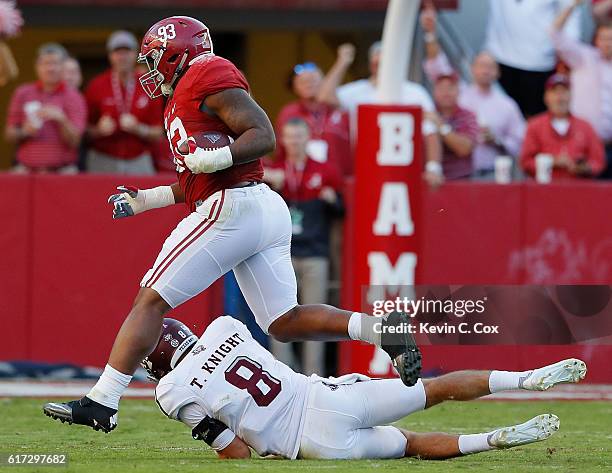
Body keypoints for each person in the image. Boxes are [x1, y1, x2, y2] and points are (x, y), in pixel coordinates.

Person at [41, 16, 420, 434]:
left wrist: (218, 158)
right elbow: (198, 178)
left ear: (178, 54)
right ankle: (379, 329)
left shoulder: (206, 71)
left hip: (233, 208)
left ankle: (103, 400)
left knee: (150, 301)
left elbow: (263, 135)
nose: (150, 70)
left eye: (153, 59)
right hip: (254, 207)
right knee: (283, 322)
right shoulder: (184, 94)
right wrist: (148, 199)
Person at [46, 316, 587, 460]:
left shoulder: (169, 394)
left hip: (313, 445)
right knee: (436, 387)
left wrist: (255, 441)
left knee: (412, 446)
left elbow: (233, 452)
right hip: (326, 395)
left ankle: (492, 442)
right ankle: (527, 379)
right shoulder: (224, 329)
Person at [265, 118, 343, 376]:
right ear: (283, 139)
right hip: (281, 254)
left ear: (308, 138)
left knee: (316, 320)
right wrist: (268, 183)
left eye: (299, 136)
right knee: (278, 317)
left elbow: (342, 210)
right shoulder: (273, 169)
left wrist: (331, 201)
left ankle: (315, 378)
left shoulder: (325, 170)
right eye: (289, 136)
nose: (294, 141)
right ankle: (282, 375)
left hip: (314, 254)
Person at [421, 4, 525, 179]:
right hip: (458, 174)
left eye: (490, 66)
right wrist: (431, 33)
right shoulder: (459, 93)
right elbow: (437, 66)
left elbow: (520, 142)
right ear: (472, 69)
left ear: (498, 72)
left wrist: (497, 140)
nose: (485, 70)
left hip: (491, 174)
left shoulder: (507, 105)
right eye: (481, 65)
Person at [318, 40, 444, 186]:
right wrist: (342, 62)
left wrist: (433, 167)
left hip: (406, 169)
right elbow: (324, 97)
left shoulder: (414, 92)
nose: (381, 68)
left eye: (386, 63)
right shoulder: (358, 91)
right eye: (376, 64)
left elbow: (430, 128)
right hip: (366, 167)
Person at [485, 0, 583, 117]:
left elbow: (571, 13)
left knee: (535, 119)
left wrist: (568, 49)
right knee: (501, 117)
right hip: (500, 59)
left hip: (538, 62)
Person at [84, 30, 163, 174]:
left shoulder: (148, 84)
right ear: (110, 56)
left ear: (136, 55)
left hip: (138, 159)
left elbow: (159, 132)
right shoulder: (96, 85)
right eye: (117, 52)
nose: (122, 57)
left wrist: (139, 129)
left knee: (144, 196)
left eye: (127, 52)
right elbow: (84, 130)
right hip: (103, 158)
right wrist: (98, 131)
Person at [5, 43, 86, 174]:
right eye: (45, 63)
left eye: (55, 63)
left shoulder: (74, 96)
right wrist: (24, 131)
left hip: (63, 170)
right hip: (26, 169)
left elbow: (76, 142)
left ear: (63, 67)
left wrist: (61, 119)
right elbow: (9, 134)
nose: (50, 68)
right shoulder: (23, 93)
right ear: (37, 67)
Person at [552, 0, 612, 177]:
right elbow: (555, 33)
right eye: (604, 39)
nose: (608, 43)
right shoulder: (583, 57)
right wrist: (572, 6)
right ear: (596, 40)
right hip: (583, 146)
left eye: (611, 39)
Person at [520, 73, 605, 179]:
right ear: (546, 97)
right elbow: (525, 162)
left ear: (570, 95)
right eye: (555, 92)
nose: (559, 97)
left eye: (564, 92)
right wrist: (552, 162)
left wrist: (585, 168)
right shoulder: (535, 126)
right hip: (544, 191)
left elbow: (598, 161)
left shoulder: (585, 126)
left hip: (578, 189)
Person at [275, 59, 351, 176]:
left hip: (338, 183)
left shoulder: (340, 109)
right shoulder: (288, 113)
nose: (309, 84)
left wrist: (342, 61)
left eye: (313, 80)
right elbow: (281, 151)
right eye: (303, 81)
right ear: (294, 87)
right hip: (300, 184)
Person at [429, 73, 479, 180]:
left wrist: (441, 127)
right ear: (434, 92)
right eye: (441, 88)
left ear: (458, 91)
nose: (446, 93)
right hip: (430, 181)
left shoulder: (468, 116)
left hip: (462, 181)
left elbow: (464, 148)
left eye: (450, 88)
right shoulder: (427, 113)